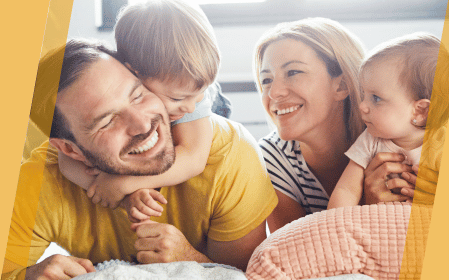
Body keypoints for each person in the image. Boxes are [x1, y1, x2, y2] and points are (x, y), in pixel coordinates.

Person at [2, 40, 277, 279]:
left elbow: (246, 276)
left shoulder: (228, 155)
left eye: (138, 95)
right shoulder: (40, 181)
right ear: (70, 150)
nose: (143, 124)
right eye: (107, 121)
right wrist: (29, 275)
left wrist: (192, 260)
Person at [57, 0, 232, 222]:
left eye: (198, 93)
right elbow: (67, 161)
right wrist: (112, 192)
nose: (189, 107)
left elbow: (194, 159)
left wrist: (124, 184)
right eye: (177, 98)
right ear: (134, 75)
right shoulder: (117, 75)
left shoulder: (192, 97)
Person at [254, 17, 416, 233]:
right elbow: (292, 253)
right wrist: (366, 208)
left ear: (342, 85)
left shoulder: (394, 133)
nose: (274, 92)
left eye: (293, 72)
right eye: (266, 80)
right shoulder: (270, 159)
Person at [328, 33, 449, 208]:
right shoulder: (370, 140)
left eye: (376, 98)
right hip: (383, 228)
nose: (362, 106)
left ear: (421, 111)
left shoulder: (445, 142)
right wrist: (336, 225)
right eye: (364, 94)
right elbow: (346, 191)